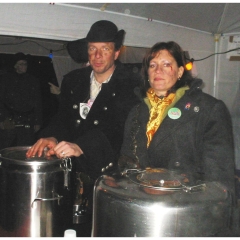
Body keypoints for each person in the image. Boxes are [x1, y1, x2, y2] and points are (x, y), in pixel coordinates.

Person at [26, 20, 142, 236]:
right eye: (92, 49)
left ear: (116, 53)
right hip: (72, 174)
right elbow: (63, 117)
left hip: (108, 176)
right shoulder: (73, 80)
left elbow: (121, 127)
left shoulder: (130, 84)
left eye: (104, 49)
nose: (97, 56)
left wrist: (82, 145)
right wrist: (52, 135)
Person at [118, 41, 239, 236]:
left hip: (188, 216)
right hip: (144, 213)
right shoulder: (136, 111)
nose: (159, 70)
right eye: (153, 65)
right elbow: (127, 162)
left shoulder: (207, 109)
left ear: (180, 71)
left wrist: (214, 225)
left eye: (167, 64)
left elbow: (219, 181)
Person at [0, 52, 42, 149]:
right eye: (21, 64)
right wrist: (1, 119)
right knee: (5, 148)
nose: (24, 66)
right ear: (15, 66)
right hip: (10, 118)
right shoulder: (5, 79)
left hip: (27, 119)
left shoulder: (33, 80)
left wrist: (38, 121)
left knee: (25, 148)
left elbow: (37, 102)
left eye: (25, 64)